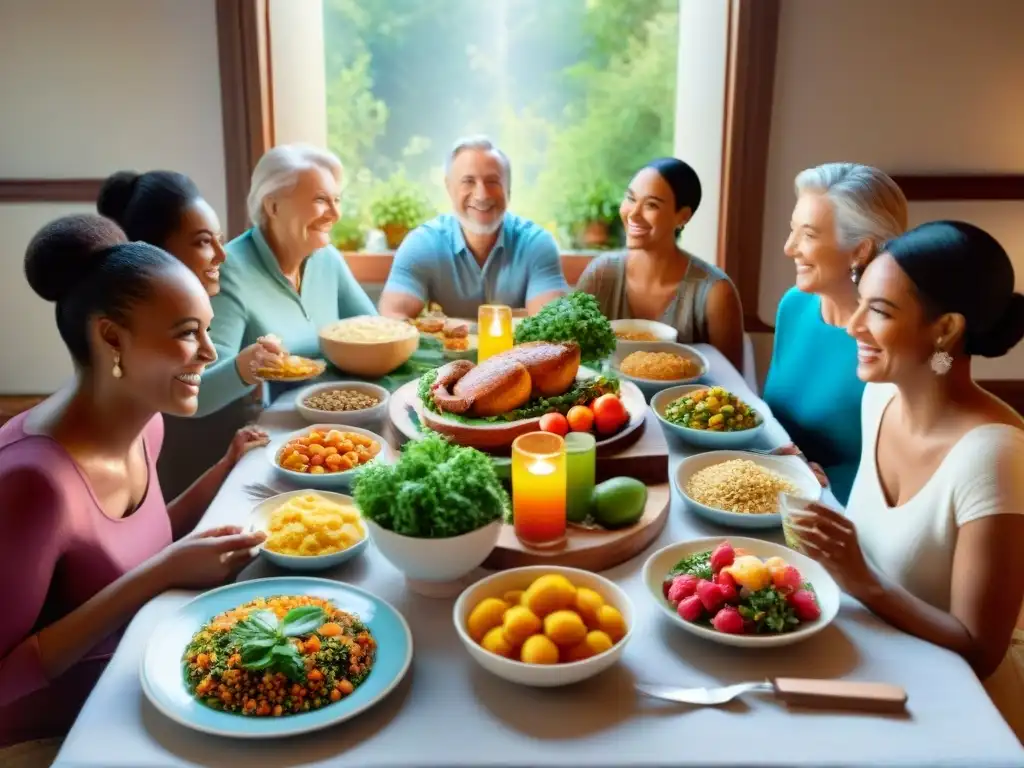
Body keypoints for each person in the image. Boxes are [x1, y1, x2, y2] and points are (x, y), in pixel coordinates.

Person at [0, 215, 268, 757]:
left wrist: (224, 469)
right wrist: (162, 575)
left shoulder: (147, 421)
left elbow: (136, 543)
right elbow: (5, 678)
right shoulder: (34, 484)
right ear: (111, 338)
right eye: (187, 334)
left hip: (143, 682)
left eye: (207, 329)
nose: (211, 353)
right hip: (59, 735)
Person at [790, 221, 1024, 741]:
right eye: (861, 301)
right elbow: (890, 543)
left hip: (956, 717)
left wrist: (863, 581)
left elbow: (981, 652)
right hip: (872, 668)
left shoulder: (994, 455)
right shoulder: (881, 398)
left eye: (879, 311)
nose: (852, 325)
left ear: (945, 330)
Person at [97, 170, 282, 498]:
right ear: (154, 250)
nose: (223, 257)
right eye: (202, 241)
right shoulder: (144, 334)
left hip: (223, 474)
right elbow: (188, 409)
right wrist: (243, 369)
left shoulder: (200, 308)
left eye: (220, 240)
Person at [195, 143, 376, 420]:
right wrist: (244, 368)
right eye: (320, 200)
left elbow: (376, 333)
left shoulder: (327, 258)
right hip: (265, 429)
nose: (335, 214)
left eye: (336, 200)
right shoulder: (228, 271)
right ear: (274, 205)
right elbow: (199, 394)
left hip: (336, 416)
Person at [763, 163, 908, 505]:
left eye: (809, 235)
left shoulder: (897, 339)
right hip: (773, 498)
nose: (789, 247)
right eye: (792, 230)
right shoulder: (794, 305)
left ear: (860, 249)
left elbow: (909, 477)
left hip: (845, 516)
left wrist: (816, 481)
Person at [575, 158, 745, 371]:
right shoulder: (600, 275)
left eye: (651, 205)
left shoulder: (716, 293)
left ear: (682, 217)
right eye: (631, 198)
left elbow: (731, 383)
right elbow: (574, 359)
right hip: (609, 402)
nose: (634, 214)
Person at [378, 135, 568, 320]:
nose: (482, 195)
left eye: (492, 181)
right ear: (449, 187)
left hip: (518, 352)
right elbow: (392, 321)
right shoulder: (422, 244)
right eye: (468, 181)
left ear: (508, 189)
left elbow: (550, 329)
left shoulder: (536, 244)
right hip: (446, 352)